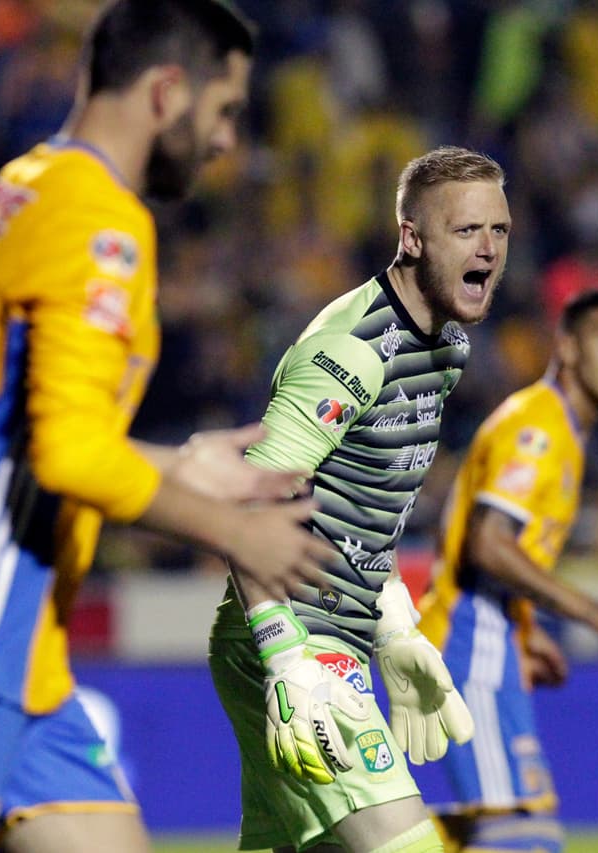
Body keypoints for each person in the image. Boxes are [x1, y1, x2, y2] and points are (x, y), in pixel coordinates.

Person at [0, 3, 337, 851]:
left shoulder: (26, 186)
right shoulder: (98, 221)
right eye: (225, 113)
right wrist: (235, 534)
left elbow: (13, 432)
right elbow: (65, 454)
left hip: (20, 653)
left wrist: (180, 464)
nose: (226, 144)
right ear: (167, 91)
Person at [208, 145, 512, 853]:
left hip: (335, 633)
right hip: (291, 636)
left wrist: (394, 625)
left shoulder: (446, 349)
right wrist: (286, 658)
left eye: (499, 230)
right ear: (412, 237)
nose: (490, 249)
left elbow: (367, 505)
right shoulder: (352, 350)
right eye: (467, 230)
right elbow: (249, 504)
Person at [415, 282, 598, 853]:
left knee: (505, 829)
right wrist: (595, 613)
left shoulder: (563, 432)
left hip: (493, 645)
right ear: (568, 348)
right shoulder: (539, 428)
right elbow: (490, 545)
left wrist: (523, 632)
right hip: (469, 643)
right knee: (523, 834)